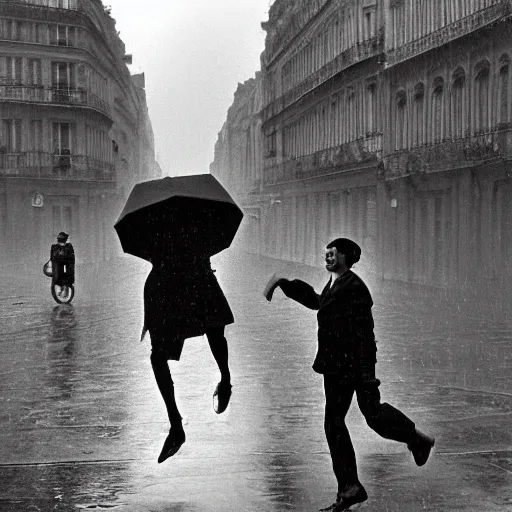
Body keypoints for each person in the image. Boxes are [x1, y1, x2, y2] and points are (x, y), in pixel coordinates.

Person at [264, 238, 435, 511]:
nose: (327, 258)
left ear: (345, 256)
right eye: (326, 254)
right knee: (338, 422)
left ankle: (414, 440)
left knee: (371, 414)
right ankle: (350, 487)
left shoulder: (354, 287)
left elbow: (365, 334)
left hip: (351, 366)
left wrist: (367, 373)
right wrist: (285, 284)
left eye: (332, 254)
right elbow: (318, 302)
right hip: (335, 366)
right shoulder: (336, 284)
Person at [142, 240, 234, 464]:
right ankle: (224, 379)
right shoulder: (198, 218)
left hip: (170, 283)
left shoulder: (154, 222)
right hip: (188, 280)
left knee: (160, 354)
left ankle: (176, 424)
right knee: (213, 330)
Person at [50, 231, 75, 299]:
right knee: (64, 278)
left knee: (60, 278)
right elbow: (71, 260)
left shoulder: (54, 247)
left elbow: (52, 259)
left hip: (60, 270)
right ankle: (64, 288)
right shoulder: (68, 247)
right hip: (64, 269)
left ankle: (62, 289)